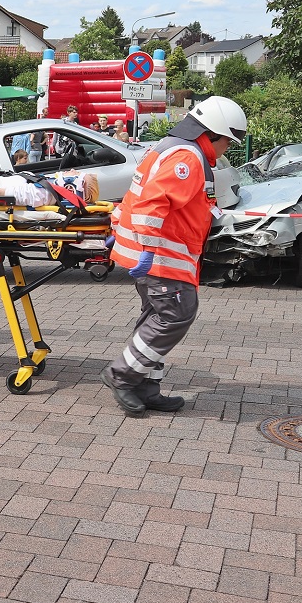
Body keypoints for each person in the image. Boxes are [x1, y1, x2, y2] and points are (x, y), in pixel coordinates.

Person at [100, 96, 248, 417]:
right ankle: (123, 374)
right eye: (228, 142)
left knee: (156, 317)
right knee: (176, 314)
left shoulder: (170, 148)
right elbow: (152, 203)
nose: (227, 149)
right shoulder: (189, 159)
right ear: (213, 134)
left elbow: (144, 195)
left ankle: (146, 388)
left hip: (153, 253)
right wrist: (150, 250)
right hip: (162, 255)